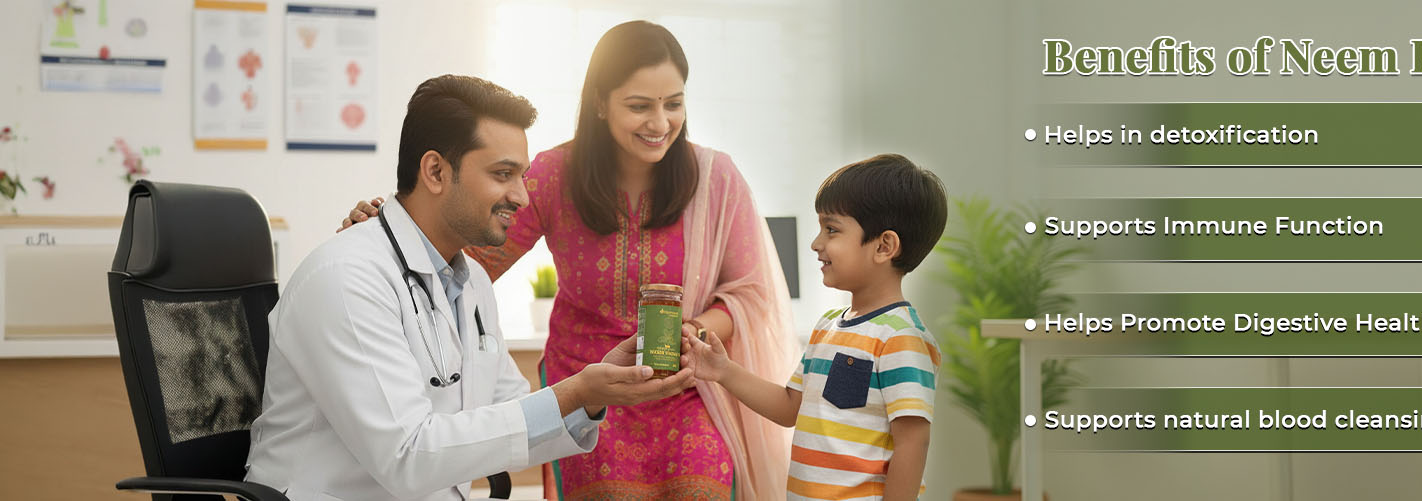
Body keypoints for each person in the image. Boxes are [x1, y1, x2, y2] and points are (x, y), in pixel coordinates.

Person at [340, 21, 797, 500]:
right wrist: (390, 236)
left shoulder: (716, 179)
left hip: (684, 389)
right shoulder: (553, 175)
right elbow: (466, 256)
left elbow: (750, 293)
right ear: (600, 103)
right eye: (639, 105)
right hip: (588, 391)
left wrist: (690, 336)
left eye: (674, 103)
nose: (660, 123)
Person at [246, 75, 694, 501]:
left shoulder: (471, 282)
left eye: (522, 175)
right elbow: (407, 456)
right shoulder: (346, 278)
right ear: (436, 172)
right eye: (503, 174)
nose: (522, 196)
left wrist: (591, 394)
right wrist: (573, 391)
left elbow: (517, 416)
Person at [684, 154, 948, 501]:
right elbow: (787, 407)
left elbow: (913, 441)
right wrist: (723, 371)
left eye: (832, 229)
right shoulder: (828, 328)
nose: (816, 243)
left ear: (884, 246)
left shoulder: (901, 339)